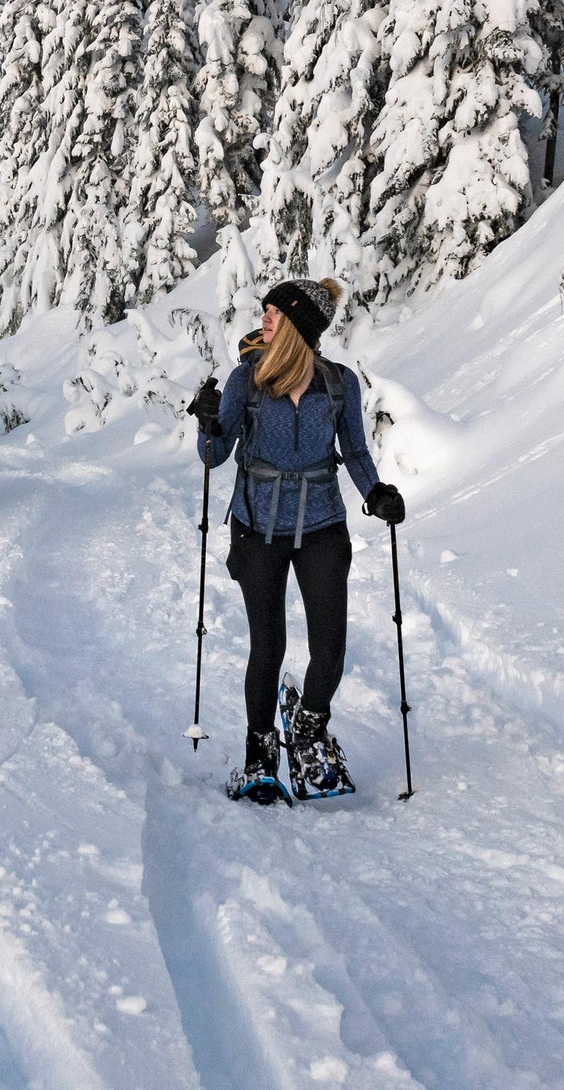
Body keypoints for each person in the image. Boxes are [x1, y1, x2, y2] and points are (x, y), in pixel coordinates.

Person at [188, 278, 405, 803]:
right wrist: (210, 423)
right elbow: (213, 458)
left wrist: (375, 491)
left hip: (323, 526)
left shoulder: (339, 384)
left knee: (330, 649)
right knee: (269, 645)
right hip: (257, 527)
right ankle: (260, 751)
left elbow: (353, 449)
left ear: (298, 327)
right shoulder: (246, 381)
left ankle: (309, 727)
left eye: (274, 313)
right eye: (263, 311)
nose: (263, 319)